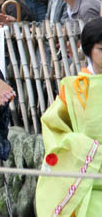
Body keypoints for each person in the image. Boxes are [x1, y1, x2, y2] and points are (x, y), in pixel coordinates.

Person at [35, 17, 102, 216]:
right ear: (88, 50)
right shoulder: (74, 89)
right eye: (101, 49)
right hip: (87, 174)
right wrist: (84, 148)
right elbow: (53, 124)